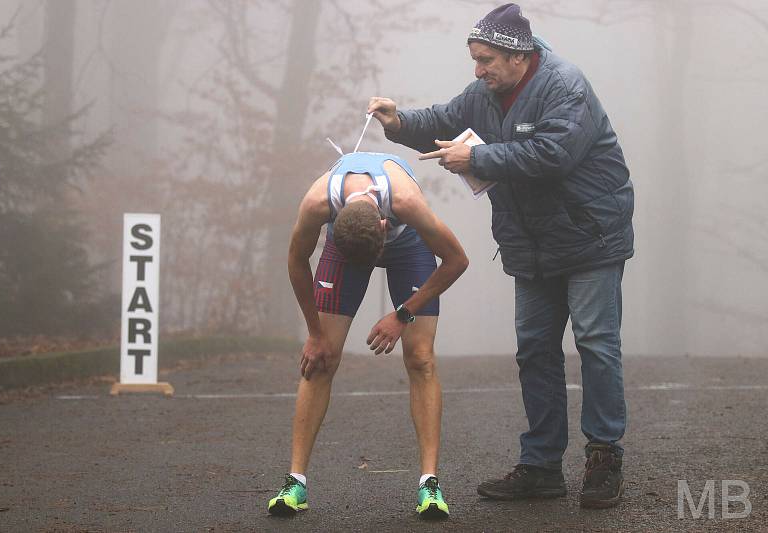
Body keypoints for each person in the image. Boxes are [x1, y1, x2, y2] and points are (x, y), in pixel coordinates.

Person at [367, 3, 634, 509]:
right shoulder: (485, 93)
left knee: (596, 344)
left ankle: (604, 458)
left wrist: (480, 157)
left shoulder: (565, 86)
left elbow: (555, 154)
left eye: (485, 59)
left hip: (590, 236)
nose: (478, 69)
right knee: (534, 350)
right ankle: (542, 465)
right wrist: (398, 120)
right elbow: (442, 119)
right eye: (474, 58)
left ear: (518, 55)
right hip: (529, 243)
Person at [267, 151, 468, 519]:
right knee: (321, 359)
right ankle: (295, 481)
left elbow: (457, 261)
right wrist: (314, 332)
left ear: (381, 224)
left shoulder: (406, 202)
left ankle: (429, 484)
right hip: (345, 247)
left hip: (409, 246)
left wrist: (403, 314)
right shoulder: (317, 203)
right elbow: (296, 261)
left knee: (420, 358)